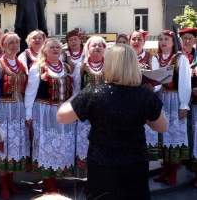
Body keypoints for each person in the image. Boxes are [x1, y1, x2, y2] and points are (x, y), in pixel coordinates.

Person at [57, 44, 168, 200]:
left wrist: (79, 95)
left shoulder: (94, 92)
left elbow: (61, 116)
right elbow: (162, 126)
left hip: (103, 164)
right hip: (134, 163)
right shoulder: (144, 94)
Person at [24, 38, 80, 194]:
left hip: (63, 111)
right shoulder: (38, 68)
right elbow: (30, 92)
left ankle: (56, 179)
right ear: (45, 51)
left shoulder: (67, 67)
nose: (55, 49)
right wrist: (28, 114)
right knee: (47, 145)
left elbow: (74, 91)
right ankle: (48, 182)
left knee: (62, 145)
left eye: (58, 47)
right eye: (52, 47)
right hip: (44, 111)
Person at [0, 32, 29, 199]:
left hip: (18, 109)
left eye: (16, 42)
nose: (14, 46)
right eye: (10, 43)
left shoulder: (21, 64)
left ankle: (11, 180)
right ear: (4, 46)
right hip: (4, 109)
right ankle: (4, 183)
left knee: (15, 145)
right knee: (4, 145)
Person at [153, 30, 191, 186]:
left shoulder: (180, 58)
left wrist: (184, 105)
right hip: (161, 100)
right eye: (161, 39)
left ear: (173, 41)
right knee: (163, 136)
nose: (163, 42)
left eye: (166, 39)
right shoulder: (156, 58)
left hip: (175, 100)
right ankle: (165, 169)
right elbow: (155, 83)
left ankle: (173, 171)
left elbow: (184, 83)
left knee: (174, 137)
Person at [74, 36, 107, 172]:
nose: (97, 47)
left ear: (104, 48)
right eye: (94, 45)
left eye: (100, 45)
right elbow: (75, 90)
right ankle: (89, 179)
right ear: (88, 48)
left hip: (106, 112)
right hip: (86, 113)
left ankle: (103, 177)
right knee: (86, 143)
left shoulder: (109, 65)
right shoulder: (81, 66)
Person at [129, 29, 161, 160]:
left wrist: (153, 87)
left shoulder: (151, 58)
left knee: (145, 134)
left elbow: (159, 80)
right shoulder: (125, 58)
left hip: (145, 101)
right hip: (128, 102)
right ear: (129, 41)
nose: (136, 42)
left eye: (139, 39)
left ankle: (144, 167)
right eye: (134, 39)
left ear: (144, 42)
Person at [179, 27, 197, 187]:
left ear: (194, 40)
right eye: (184, 38)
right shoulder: (177, 57)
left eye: (190, 38)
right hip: (180, 100)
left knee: (193, 129)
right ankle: (182, 158)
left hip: (195, 101)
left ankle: (193, 160)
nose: (187, 41)